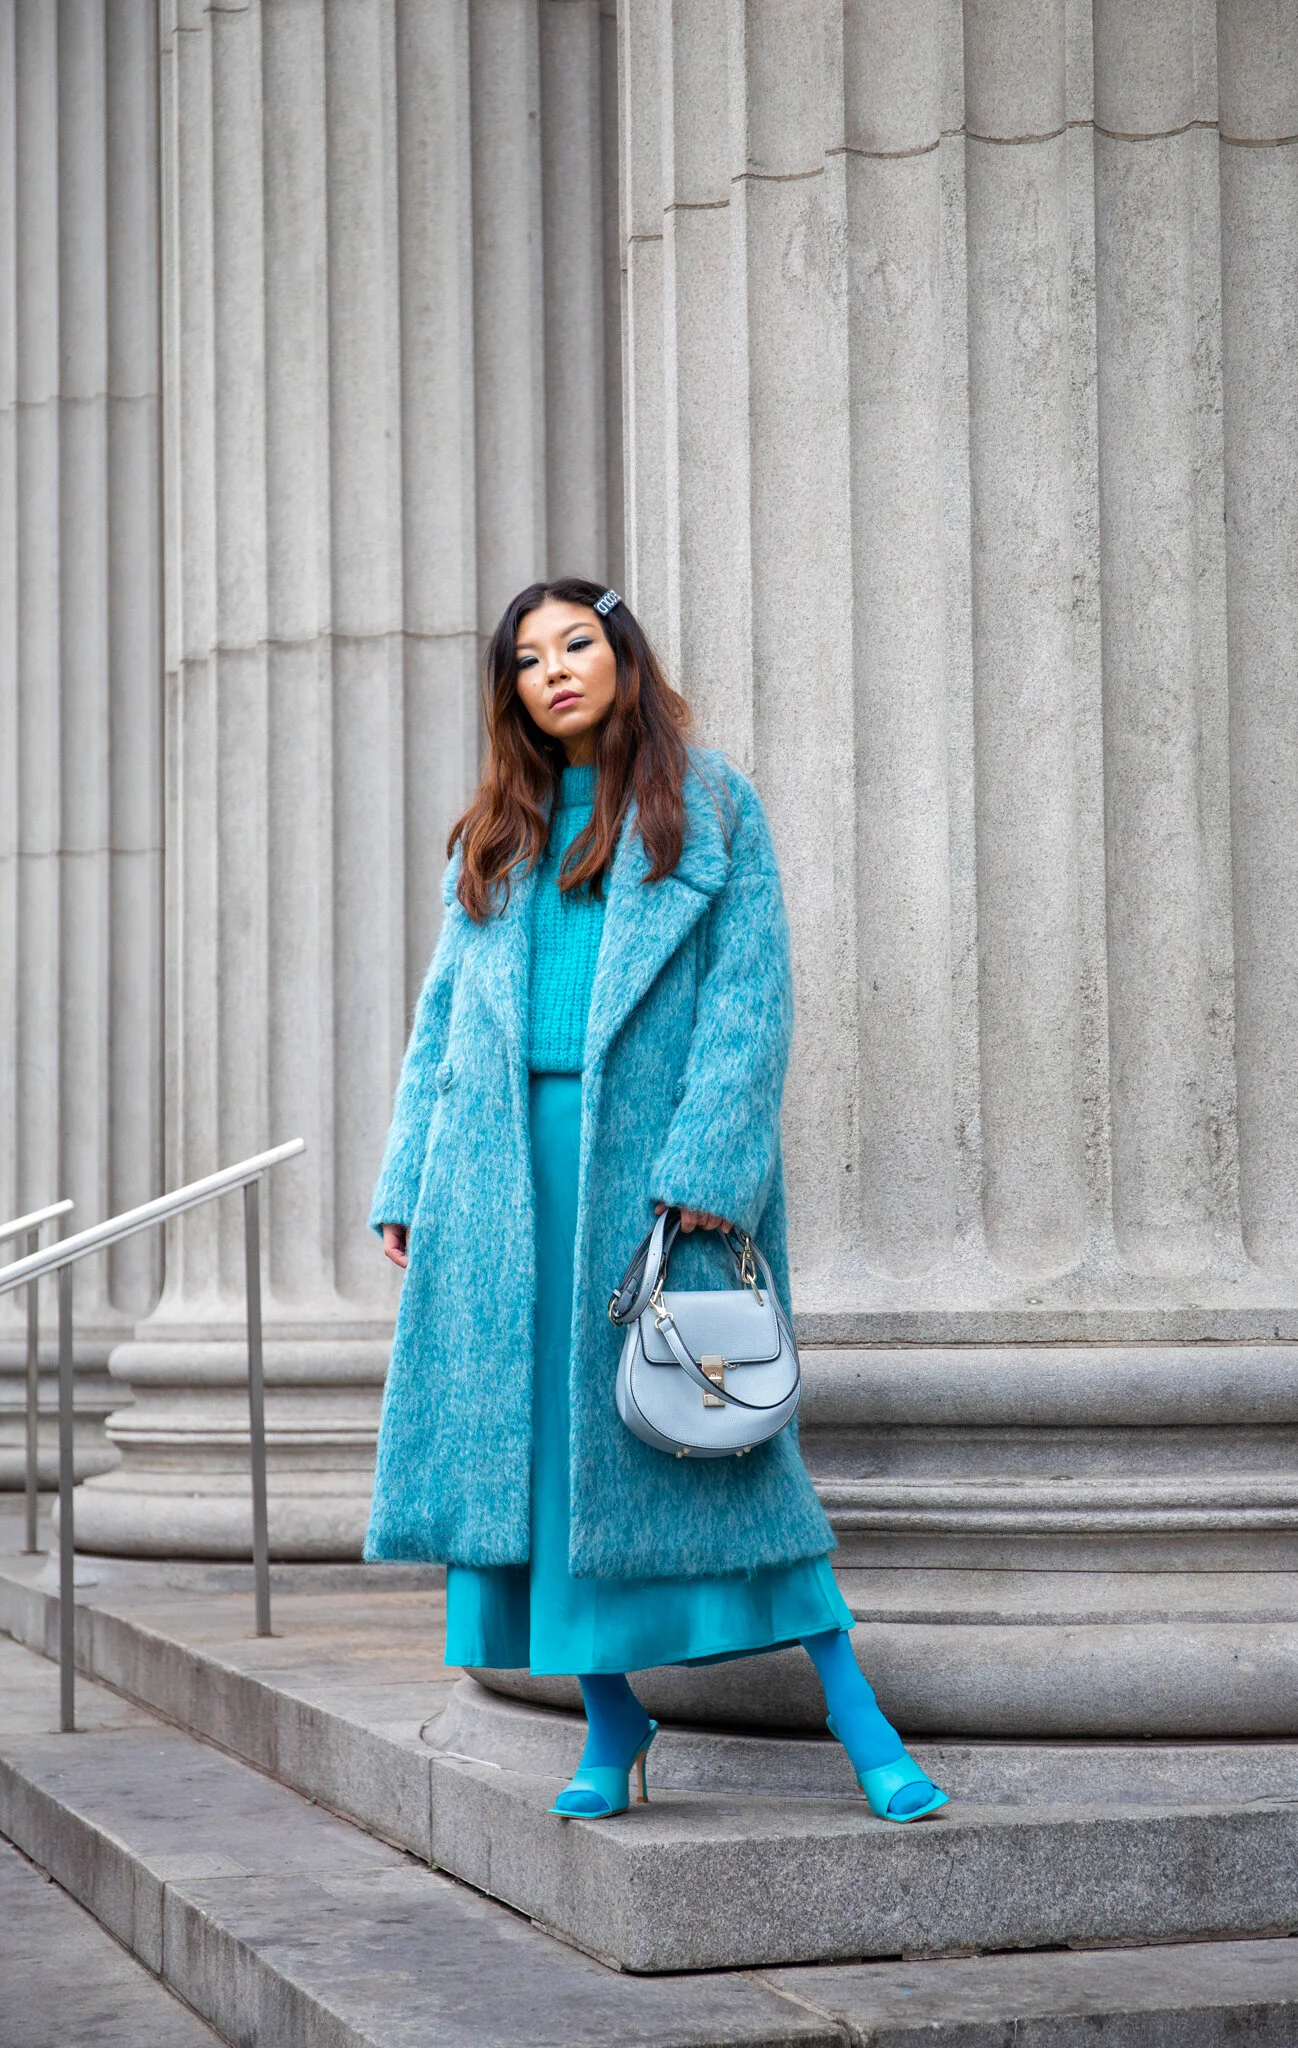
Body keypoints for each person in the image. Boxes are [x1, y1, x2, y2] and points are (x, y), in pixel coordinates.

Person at [367, 577, 948, 1824]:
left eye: (578, 642)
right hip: (501, 1174)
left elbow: (752, 1004)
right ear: (511, 689)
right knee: (545, 1463)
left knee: (723, 1447)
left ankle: (859, 1716)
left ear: (621, 653)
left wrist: (704, 1175)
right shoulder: (494, 831)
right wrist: (408, 1176)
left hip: (649, 1174)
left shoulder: (710, 803)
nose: (557, 669)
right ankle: (608, 1718)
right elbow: (439, 1027)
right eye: (531, 658)